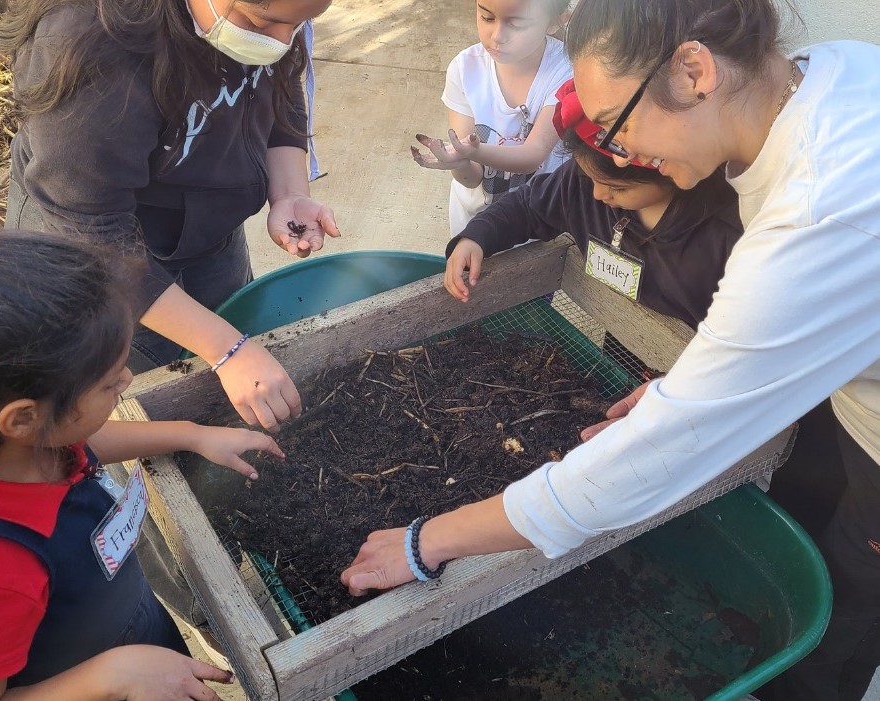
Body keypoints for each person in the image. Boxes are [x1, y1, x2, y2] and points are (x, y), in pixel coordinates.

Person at [341, 2, 880, 700]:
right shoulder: (835, 72)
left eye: (616, 124)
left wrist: (426, 541)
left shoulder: (821, 214)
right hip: (846, 384)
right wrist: (679, 389)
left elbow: (648, 460)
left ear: (692, 70)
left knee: (853, 587)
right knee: (812, 515)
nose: (611, 148)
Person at [0, 228, 284, 700]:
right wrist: (114, 676)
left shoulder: (23, 449)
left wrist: (191, 435)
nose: (129, 378)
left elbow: (90, 440)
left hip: (134, 646)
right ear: (22, 419)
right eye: (109, 384)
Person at [0, 0, 340, 434]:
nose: (282, 42)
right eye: (262, 23)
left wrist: (288, 191)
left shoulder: (270, 20)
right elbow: (93, 232)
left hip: (206, 226)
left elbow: (280, 85)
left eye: (300, 24)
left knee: (228, 335)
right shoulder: (89, 43)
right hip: (99, 256)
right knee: (134, 384)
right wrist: (226, 350)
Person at [445, 78, 742, 332]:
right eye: (591, 179)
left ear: (672, 174)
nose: (598, 195)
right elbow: (527, 206)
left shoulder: (724, 239)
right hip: (623, 330)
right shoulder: (581, 185)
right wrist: (476, 237)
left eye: (617, 188)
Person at [411, 0, 573, 236]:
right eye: (487, 17)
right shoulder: (464, 69)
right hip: (475, 223)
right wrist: (459, 161)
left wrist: (472, 151)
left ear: (556, 22)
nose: (497, 36)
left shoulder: (566, 71)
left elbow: (533, 154)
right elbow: (472, 178)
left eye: (516, 24)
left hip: (540, 226)